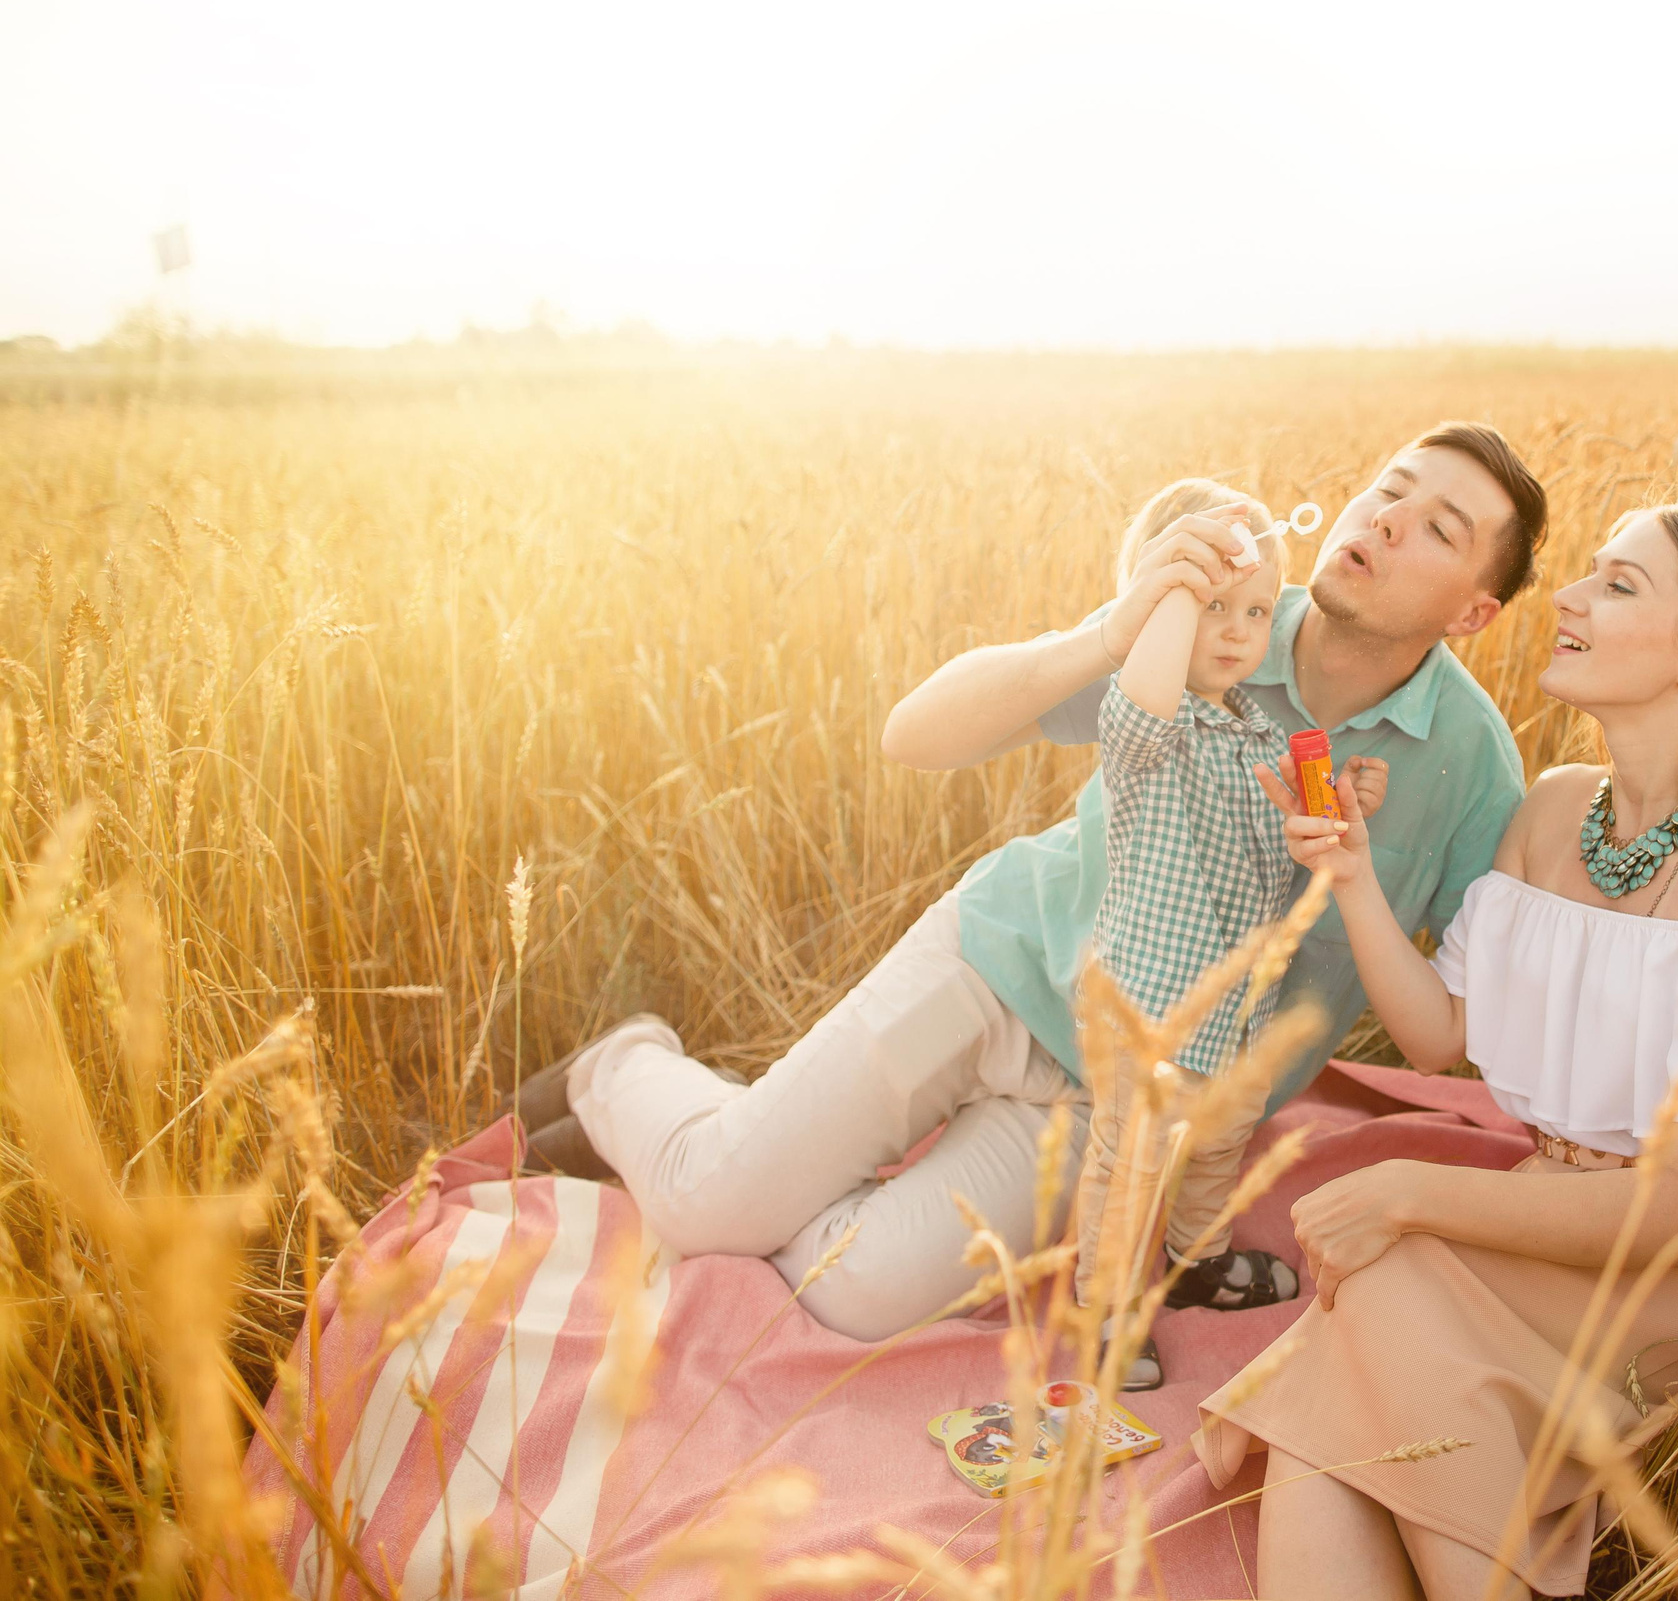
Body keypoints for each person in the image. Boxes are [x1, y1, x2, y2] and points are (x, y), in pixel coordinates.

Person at [510, 423, 1548, 1344]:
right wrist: (1111, 631)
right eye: (1388, 488)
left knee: (854, 1291)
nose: (1387, 518)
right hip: (998, 971)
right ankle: (624, 1066)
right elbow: (913, 737)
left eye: (1439, 527)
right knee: (706, 1205)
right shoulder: (1211, 612)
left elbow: (1442, 1035)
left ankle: (763, 1150)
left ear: (1474, 614)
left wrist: (1353, 881)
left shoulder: (1469, 769)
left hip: (1118, 1104)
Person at [1196, 499, 1678, 1601]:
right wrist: (1352, 877)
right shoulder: (1556, 809)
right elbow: (1440, 1035)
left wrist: (1408, 1190)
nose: (1566, 595)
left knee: (1378, 1293)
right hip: (1550, 1216)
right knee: (1367, 1332)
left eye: (1619, 585)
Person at [1067, 477, 1387, 1389]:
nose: (1241, 630)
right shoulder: (1146, 721)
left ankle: (1196, 1259)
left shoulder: (1262, 736)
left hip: (1239, 1008)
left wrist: (1338, 810)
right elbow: (1142, 694)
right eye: (1212, 605)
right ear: (1159, 605)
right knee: (1130, 1163)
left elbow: (1283, 856)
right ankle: (1107, 1311)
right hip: (1150, 1006)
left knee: (1217, 1145)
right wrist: (1174, 583)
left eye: (1256, 609)